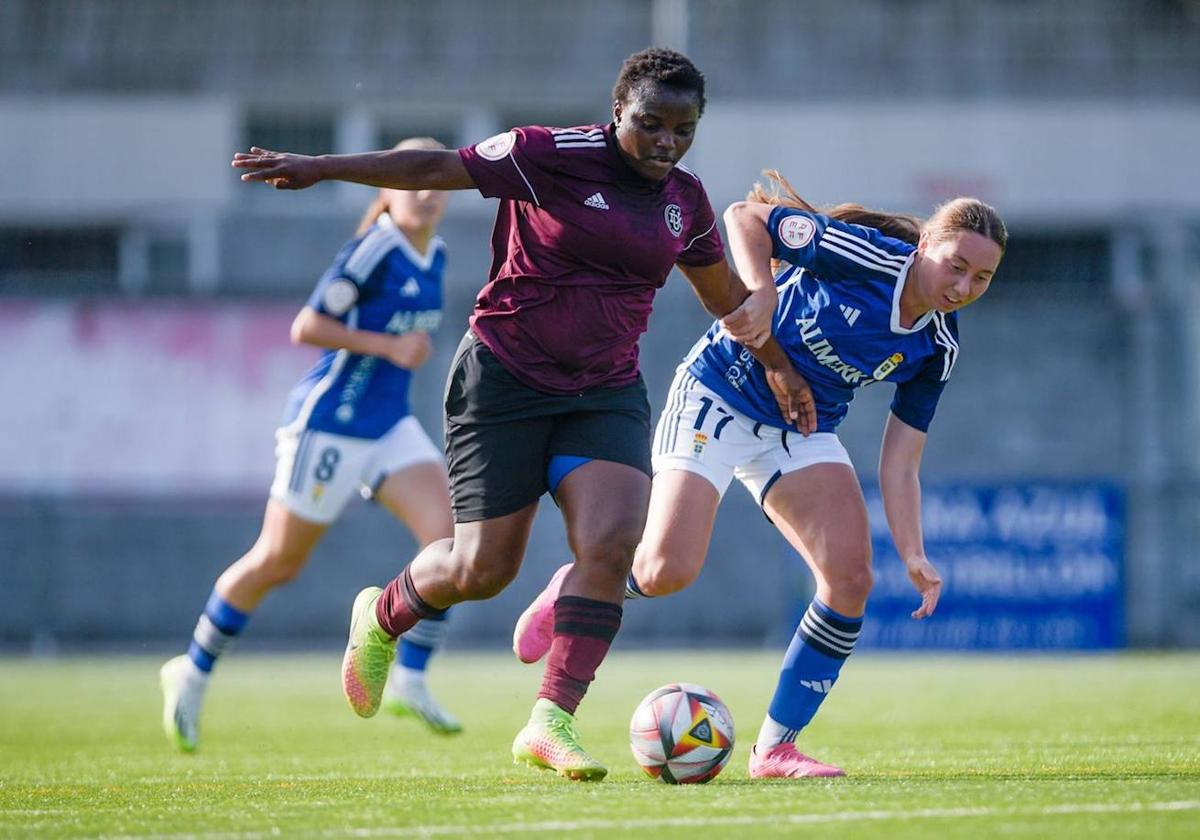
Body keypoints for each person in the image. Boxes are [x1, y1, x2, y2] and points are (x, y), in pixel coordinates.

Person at [232, 48, 806, 781]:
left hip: (603, 390)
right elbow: (434, 170)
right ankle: (382, 616)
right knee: (482, 570)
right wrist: (322, 166)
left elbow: (724, 294)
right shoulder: (548, 154)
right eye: (651, 124)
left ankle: (551, 720)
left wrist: (780, 368)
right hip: (503, 381)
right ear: (617, 113)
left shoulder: (684, 200)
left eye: (684, 129)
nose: (667, 141)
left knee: (610, 544)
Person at [513, 171, 1007, 778]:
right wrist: (762, 290)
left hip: (799, 431)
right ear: (926, 244)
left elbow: (901, 458)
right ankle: (577, 584)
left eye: (981, 277)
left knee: (851, 578)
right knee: (666, 571)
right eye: (956, 265)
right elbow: (744, 216)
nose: (963, 286)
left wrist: (913, 552)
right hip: (717, 395)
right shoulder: (868, 256)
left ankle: (774, 748)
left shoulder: (938, 343)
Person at [160, 137, 464, 753]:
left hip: (388, 426)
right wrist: (386, 347)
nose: (428, 193)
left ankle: (409, 677)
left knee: (453, 545)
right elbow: (307, 326)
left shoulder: (435, 256)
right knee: (278, 560)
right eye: (414, 182)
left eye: (435, 181)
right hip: (331, 422)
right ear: (387, 190)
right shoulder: (375, 249)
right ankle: (190, 670)